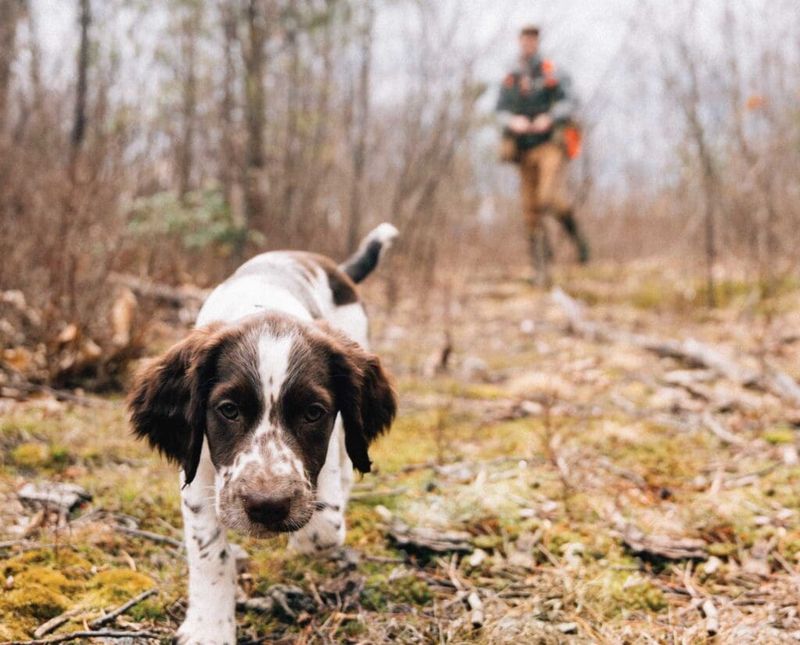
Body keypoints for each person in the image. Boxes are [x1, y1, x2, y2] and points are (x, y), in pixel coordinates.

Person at [497, 24, 589, 285]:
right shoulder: (512, 76)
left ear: (537, 42)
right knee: (530, 210)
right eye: (524, 39)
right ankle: (540, 268)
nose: (528, 44)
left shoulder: (551, 71)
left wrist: (549, 117)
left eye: (532, 39)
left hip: (549, 145)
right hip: (523, 150)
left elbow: (570, 101)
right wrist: (512, 121)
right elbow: (500, 109)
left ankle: (579, 241)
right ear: (519, 42)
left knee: (547, 197)